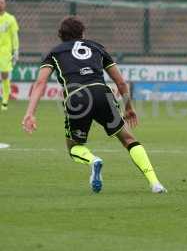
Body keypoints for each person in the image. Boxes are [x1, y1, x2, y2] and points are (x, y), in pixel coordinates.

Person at [22, 16, 167, 194]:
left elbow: (40, 84)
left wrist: (30, 113)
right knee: (129, 139)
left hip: (77, 97)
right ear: (83, 33)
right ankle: (155, 183)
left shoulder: (54, 53)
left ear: (61, 35)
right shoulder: (97, 47)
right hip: (102, 94)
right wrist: (129, 107)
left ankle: (93, 160)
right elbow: (121, 83)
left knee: (74, 146)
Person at [0, 0, 19, 111]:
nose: (0, 5)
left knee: (4, 75)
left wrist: (16, 51)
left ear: (5, 4)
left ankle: (5, 100)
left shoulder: (10, 19)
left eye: (1, 2)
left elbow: (14, 36)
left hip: (5, 52)